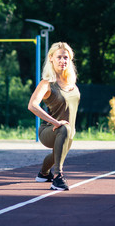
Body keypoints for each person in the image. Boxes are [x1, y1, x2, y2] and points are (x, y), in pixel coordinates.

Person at [28, 42, 80, 191]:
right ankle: (58, 177)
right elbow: (32, 105)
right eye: (59, 57)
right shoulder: (47, 83)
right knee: (63, 131)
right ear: (51, 58)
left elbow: (73, 108)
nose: (63, 61)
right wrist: (55, 122)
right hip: (48, 130)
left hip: (67, 129)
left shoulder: (72, 83)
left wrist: (72, 127)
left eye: (66, 57)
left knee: (57, 155)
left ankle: (43, 174)